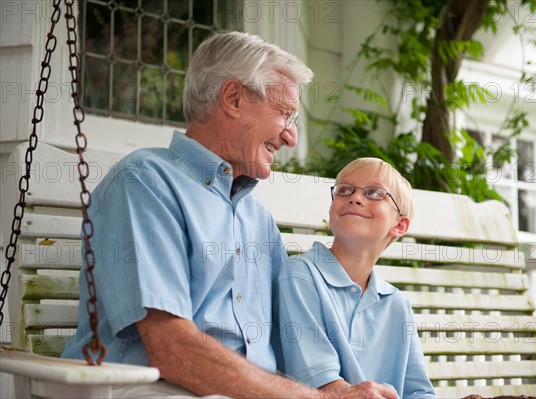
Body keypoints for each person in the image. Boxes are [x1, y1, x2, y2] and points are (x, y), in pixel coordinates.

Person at [61, 32, 398, 398]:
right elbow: (172, 349)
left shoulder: (258, 219)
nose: (291, 137)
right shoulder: (146, 182)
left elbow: (294, 338)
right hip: (154, 387)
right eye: (285, 113)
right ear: (233, 99)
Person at [273, 158, 437, 398]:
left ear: (399, 225)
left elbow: (419, 392)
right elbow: (322, 385)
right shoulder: (300, 275)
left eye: (374, 193)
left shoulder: (397, 305)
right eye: (344, 190)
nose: (355, 198)